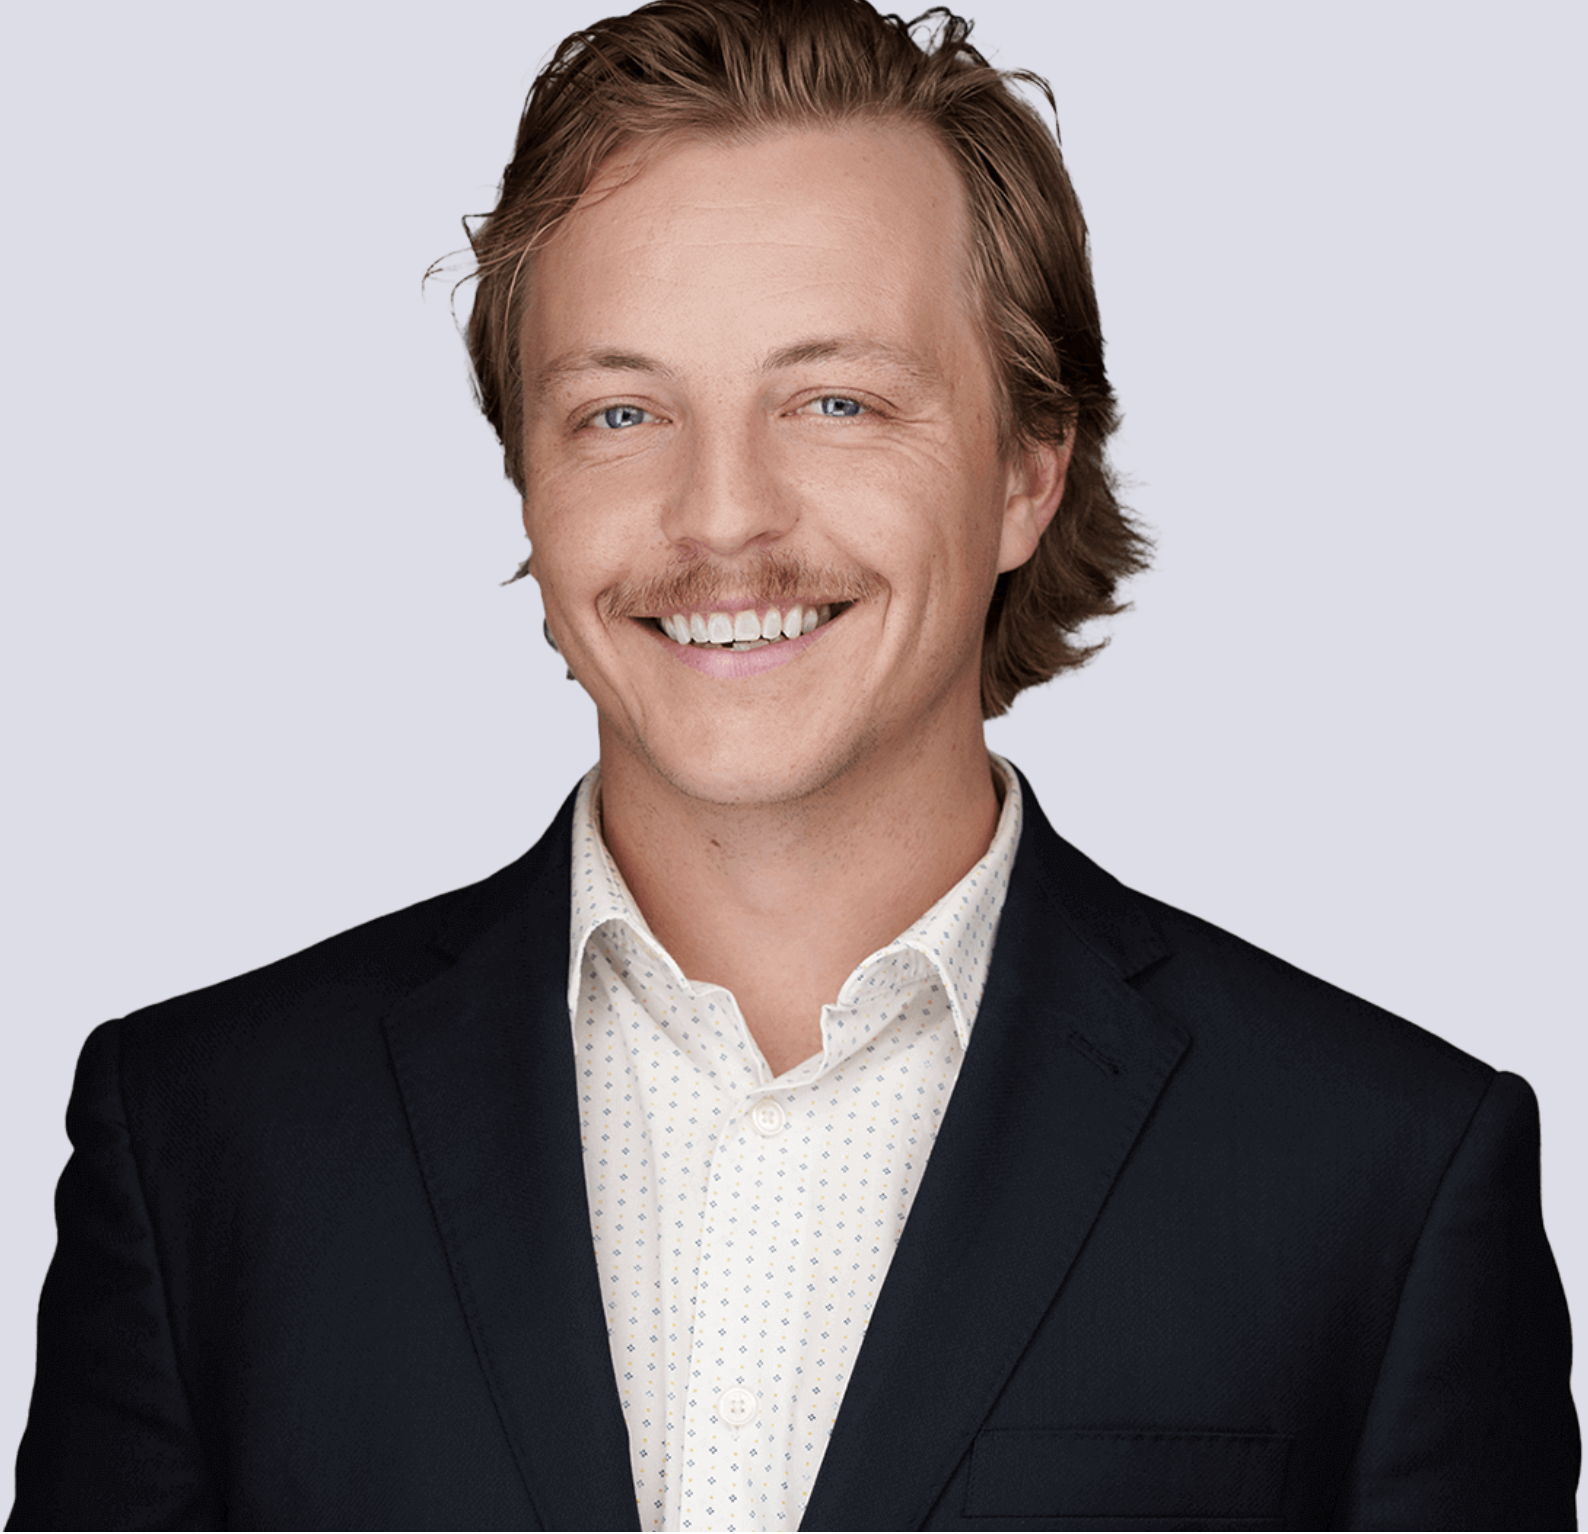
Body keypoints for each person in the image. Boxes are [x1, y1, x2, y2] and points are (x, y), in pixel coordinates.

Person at [8, 0, 1578, 1528]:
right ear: (529, 481)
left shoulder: (1382, 1177)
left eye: (834, 400)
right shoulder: (205, 1142)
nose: (720, 520)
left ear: (1032, 470)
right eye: (620, 412)